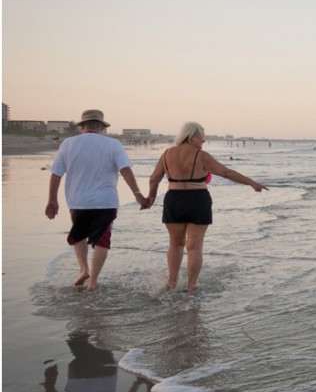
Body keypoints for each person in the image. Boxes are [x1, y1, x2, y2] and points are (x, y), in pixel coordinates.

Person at [146, 122, 268, 292]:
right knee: (194, 246)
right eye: (202, 138)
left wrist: (151, 197)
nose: (203, 142)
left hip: (174, 199)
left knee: (175, 244)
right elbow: (226, 172)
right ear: (193, 136)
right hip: (197, 200)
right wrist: (252, 183)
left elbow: (154, 179)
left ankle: (171, 283)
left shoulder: (167, 154)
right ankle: (191, 287)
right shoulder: (200, 155)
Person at [45, 110, 149, 291]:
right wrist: (138, 194)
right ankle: (92, 282)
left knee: (79, 234)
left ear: (82, 126)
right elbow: (125, 170)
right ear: (101, 126)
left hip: (78, 201)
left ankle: (83, 269)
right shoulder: (113, 144)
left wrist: (52, 200)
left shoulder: (68, 144)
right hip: (106, 201)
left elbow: (56, 174)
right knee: (102, 239)